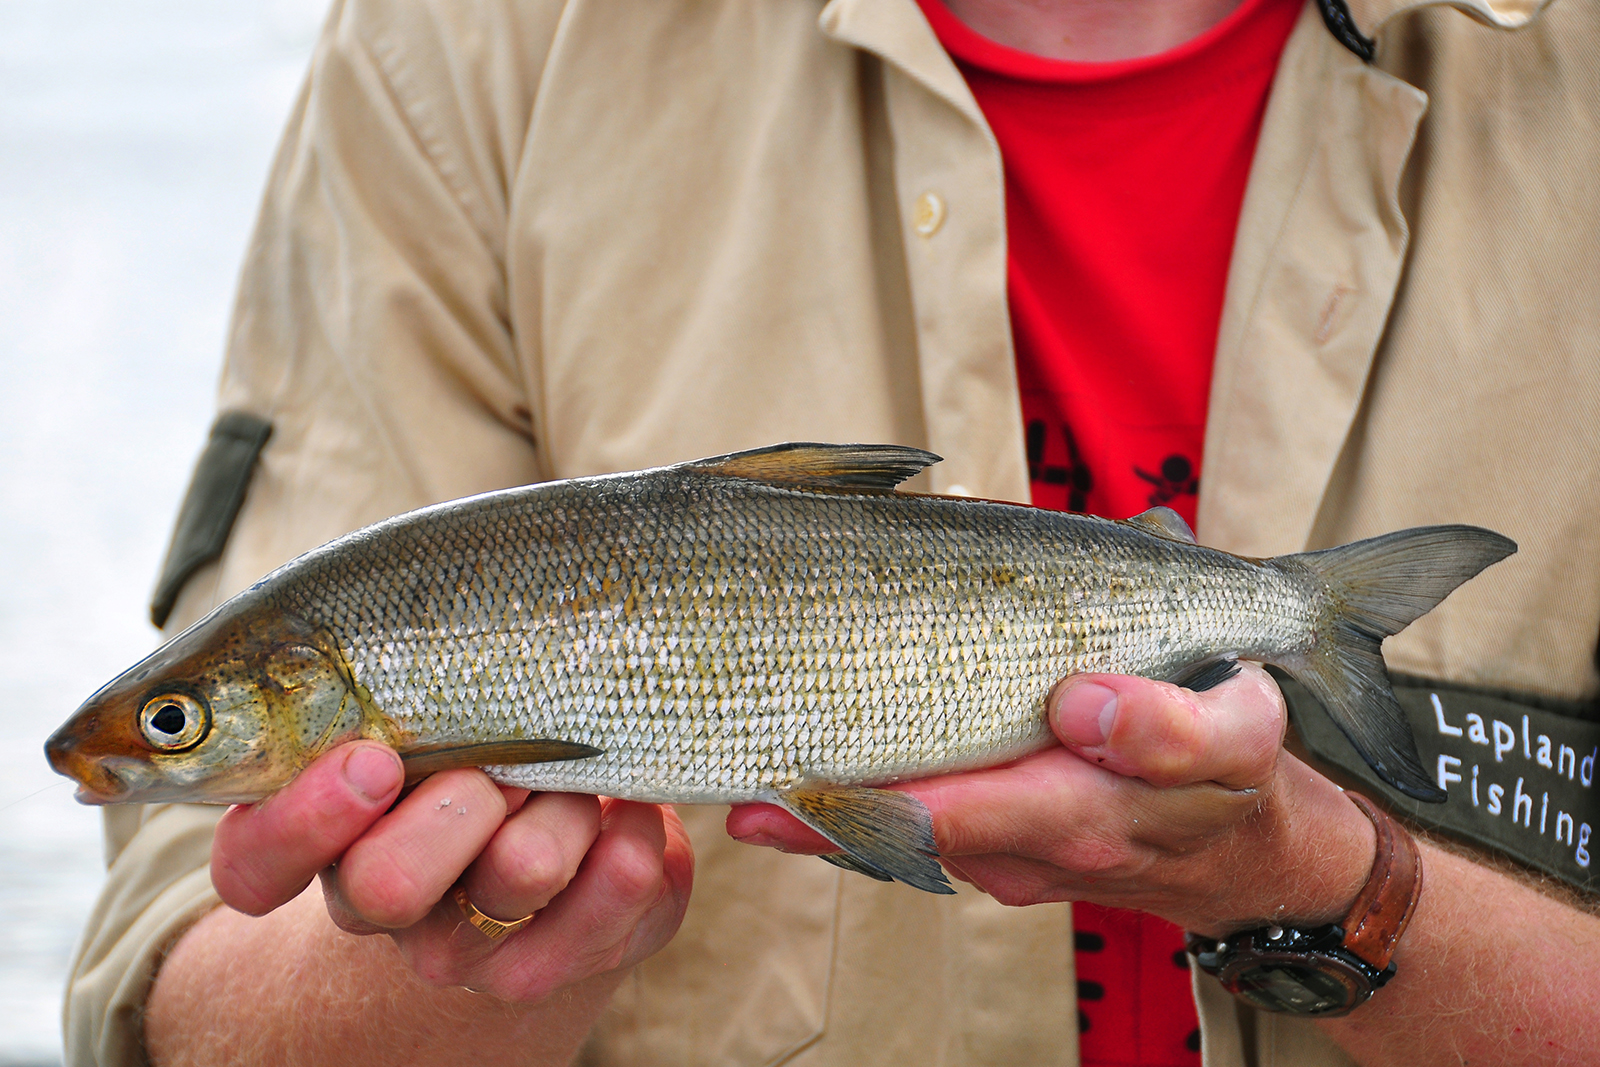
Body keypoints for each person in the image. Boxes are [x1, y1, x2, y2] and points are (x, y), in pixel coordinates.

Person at [61, 0, 1600, 1064]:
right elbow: (174, 1001)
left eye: (181, 720)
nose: (158, 742)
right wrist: (460, 986)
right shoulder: (462, 49)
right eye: (182, 721)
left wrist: (1323, 877)